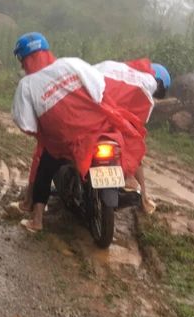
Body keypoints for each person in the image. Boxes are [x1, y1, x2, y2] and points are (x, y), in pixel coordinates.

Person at [10, 33, 148, 232]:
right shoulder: (71, 63)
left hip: (65, 142)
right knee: (119, 141)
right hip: (98, 128)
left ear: (24, 59)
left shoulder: (27, 85)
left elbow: (26, 123)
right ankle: (127, 181)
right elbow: (99, 87)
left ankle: (37, 221)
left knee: (44, 169)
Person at [93, 59, 172, 214]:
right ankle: (142, 199)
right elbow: (139, 122)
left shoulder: (113, 67)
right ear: (159, 83)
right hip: (111, 115)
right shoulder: (146, 84)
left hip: (96, 111)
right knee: (135, 146)